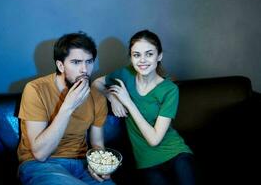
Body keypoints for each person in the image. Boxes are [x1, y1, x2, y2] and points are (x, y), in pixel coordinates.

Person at [92, 30, 195, 185]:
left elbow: (154, 139)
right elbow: (95, 83)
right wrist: (112, 96)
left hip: (176, 153)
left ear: (159, 56)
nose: (142, 60)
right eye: (136, 55)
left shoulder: (170, 90)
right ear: (131, 57)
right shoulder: (126, 74)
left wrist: (128, 102)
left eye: (149, 54)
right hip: (147, 162)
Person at [17, 32, 115, 185]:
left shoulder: (96, 96)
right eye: (76, 62)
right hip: (41, 165)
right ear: (61, 65)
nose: (84, 69)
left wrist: (99, 165)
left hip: (83, 165)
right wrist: (68, 107)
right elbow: (40, 153)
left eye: (89, 62)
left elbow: (97, 144)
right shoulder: (35, 90)